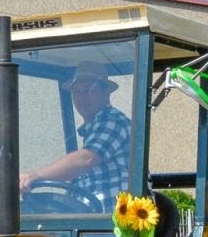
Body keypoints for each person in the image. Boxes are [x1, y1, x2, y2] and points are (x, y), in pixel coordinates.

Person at [19, 62, 130, 206]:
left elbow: (86, 159)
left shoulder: (112, 120)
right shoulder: (91, 129)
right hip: (90, 219)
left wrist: (35, 176)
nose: (82, 97)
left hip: (117, 221)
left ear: (106, 93)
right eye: (76, 91)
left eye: (89, 90)